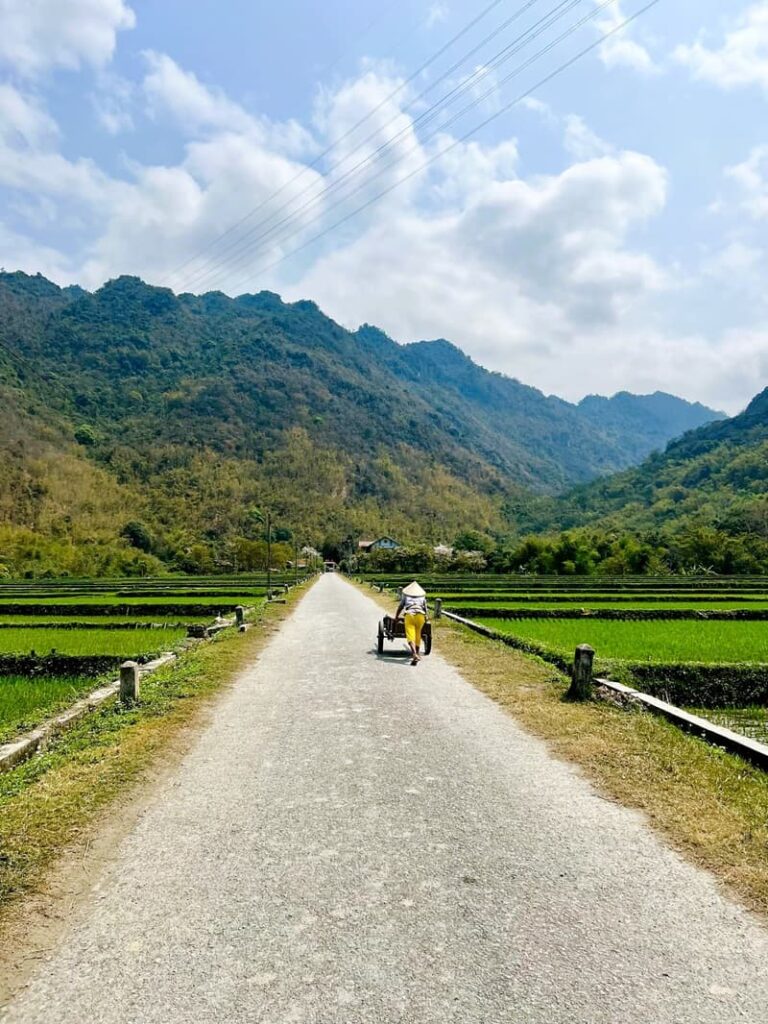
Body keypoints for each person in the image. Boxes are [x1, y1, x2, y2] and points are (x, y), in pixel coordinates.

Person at [394, 581, 428, 666]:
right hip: (420, 616)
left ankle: (414, 654)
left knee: (410, 635)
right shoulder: (422, 597)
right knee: (418, 635)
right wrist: (426, 616)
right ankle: (417, 653)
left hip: (409, 615)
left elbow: (401, 606)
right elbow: (425, 609)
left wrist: (396, 617)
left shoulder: (406, 595)